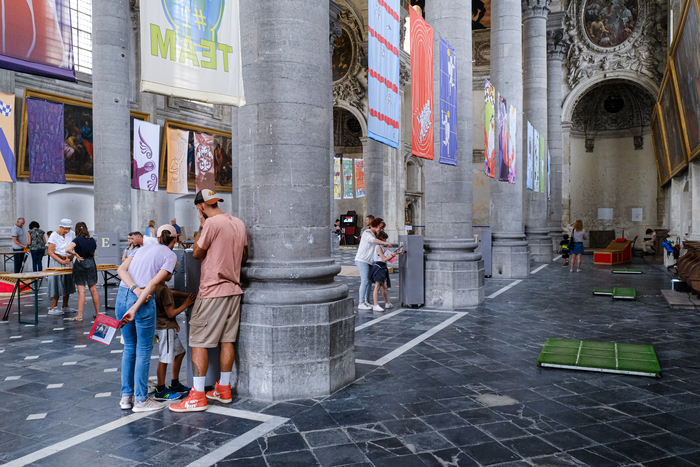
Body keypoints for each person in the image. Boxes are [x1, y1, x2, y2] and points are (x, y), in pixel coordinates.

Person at [170, 190, 247, 413]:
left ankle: (197, 396)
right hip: (234, 290)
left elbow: (196, 253)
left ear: (201, 206)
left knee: (198, 341)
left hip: (213, 290)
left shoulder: (211, 224)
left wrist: (203, 224)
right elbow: (245, 254)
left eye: (198, 209)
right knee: (227, 340)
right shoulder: (239, 223)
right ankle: (223, 388)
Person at [116, 224, 179, 413]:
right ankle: (141, 400)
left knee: (129, 347)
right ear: (175, 240)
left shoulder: (141, 249)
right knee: (143, 350)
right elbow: (153, 283)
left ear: (157, 237)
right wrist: (137, 303)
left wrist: (134, 289)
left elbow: (121, 270)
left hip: (122, 294)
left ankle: (126, 398)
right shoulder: (170, 255)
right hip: (142, 301)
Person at [153, 266, 196, 401]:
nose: (172, 274)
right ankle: (160, 389)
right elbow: (170, 312)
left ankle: (175, 383)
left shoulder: (155, 285)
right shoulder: (164, 289)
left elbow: (171, 293)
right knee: (164, 359)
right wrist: (186, 303)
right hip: (165, 328)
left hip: (166, 325)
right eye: (172, 272)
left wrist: (185, 295)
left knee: (180, 352)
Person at [354, 217, 392, 311]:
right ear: (375, 225)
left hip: (371, 262)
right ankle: (361, 302)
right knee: (365, 280)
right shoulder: (367, 232)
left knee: (370, 281)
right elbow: (372, 241)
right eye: (380, 227)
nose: (381, 229)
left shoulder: (375, 235)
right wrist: (385, 243)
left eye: (382, 228)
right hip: (362, 260)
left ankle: (367, 301)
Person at [65, 222, 99, 322]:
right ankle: (97, 313)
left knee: (81, 291)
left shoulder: (77, 240)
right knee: (94, 290)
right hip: (91, 264)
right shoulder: (92, 240)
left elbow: (68, 249)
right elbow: (93, 254)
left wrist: (75, 254)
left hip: (81, 264)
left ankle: (80, 315)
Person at [47, 219, 76, 315]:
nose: (67, 231)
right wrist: (62, 261)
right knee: (56, 283)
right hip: (57, 262)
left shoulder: (72, 234)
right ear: (60, 227)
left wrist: (71, 258)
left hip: (68, 260)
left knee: (67, 282)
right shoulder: (54, 235)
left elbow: (73, 247)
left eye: (68, 229)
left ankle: (65, 306)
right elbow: (51, 252)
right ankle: (53, 307)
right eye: (65, 229)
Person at [369, 231, 403, 312]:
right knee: (377, 286)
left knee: (384, 286)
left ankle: (387, 303)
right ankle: (375, 304)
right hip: (379, 267)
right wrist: (392, 255)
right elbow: (384, 259)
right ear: (381, 239)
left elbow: (389, 255)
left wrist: (398, 252)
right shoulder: (378, 247)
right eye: (384, 239)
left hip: (383, 267)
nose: (385, 241)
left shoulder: (383, 247)